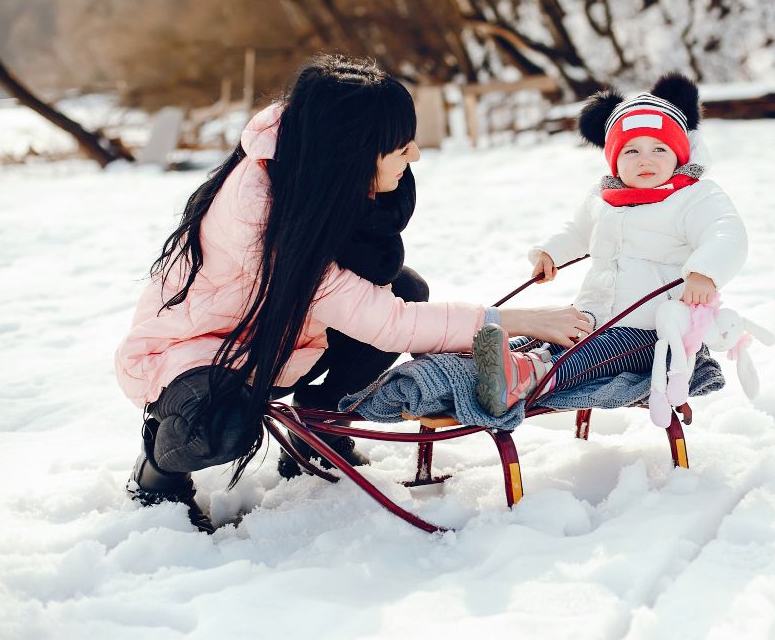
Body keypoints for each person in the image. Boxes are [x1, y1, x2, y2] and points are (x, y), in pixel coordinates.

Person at [115, 54, 590, 532]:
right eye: (403, 148)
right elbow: (388, 325)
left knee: (405, 287)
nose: (417, 157)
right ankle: (158, 473)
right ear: (354, 152)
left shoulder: (314, 170)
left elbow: (378, 297)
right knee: (221, 426)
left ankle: (317, 428)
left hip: (276, 340)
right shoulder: (263, 219)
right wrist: (523, 320)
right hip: (194, 358)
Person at [473, 73, 748, 417]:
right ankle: (502, 358)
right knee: (562, 334)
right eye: (631, 150)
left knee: (594, 353)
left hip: (651, 330)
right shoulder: (605, 196)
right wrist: (550, 253)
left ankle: (531, 375)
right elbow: (578, 230)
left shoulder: (693, 196)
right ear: (614, 159)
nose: (644, 160)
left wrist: (704, 273)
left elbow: (727, 232)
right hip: (595, 311)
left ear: (678, 155)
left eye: (659, 149)